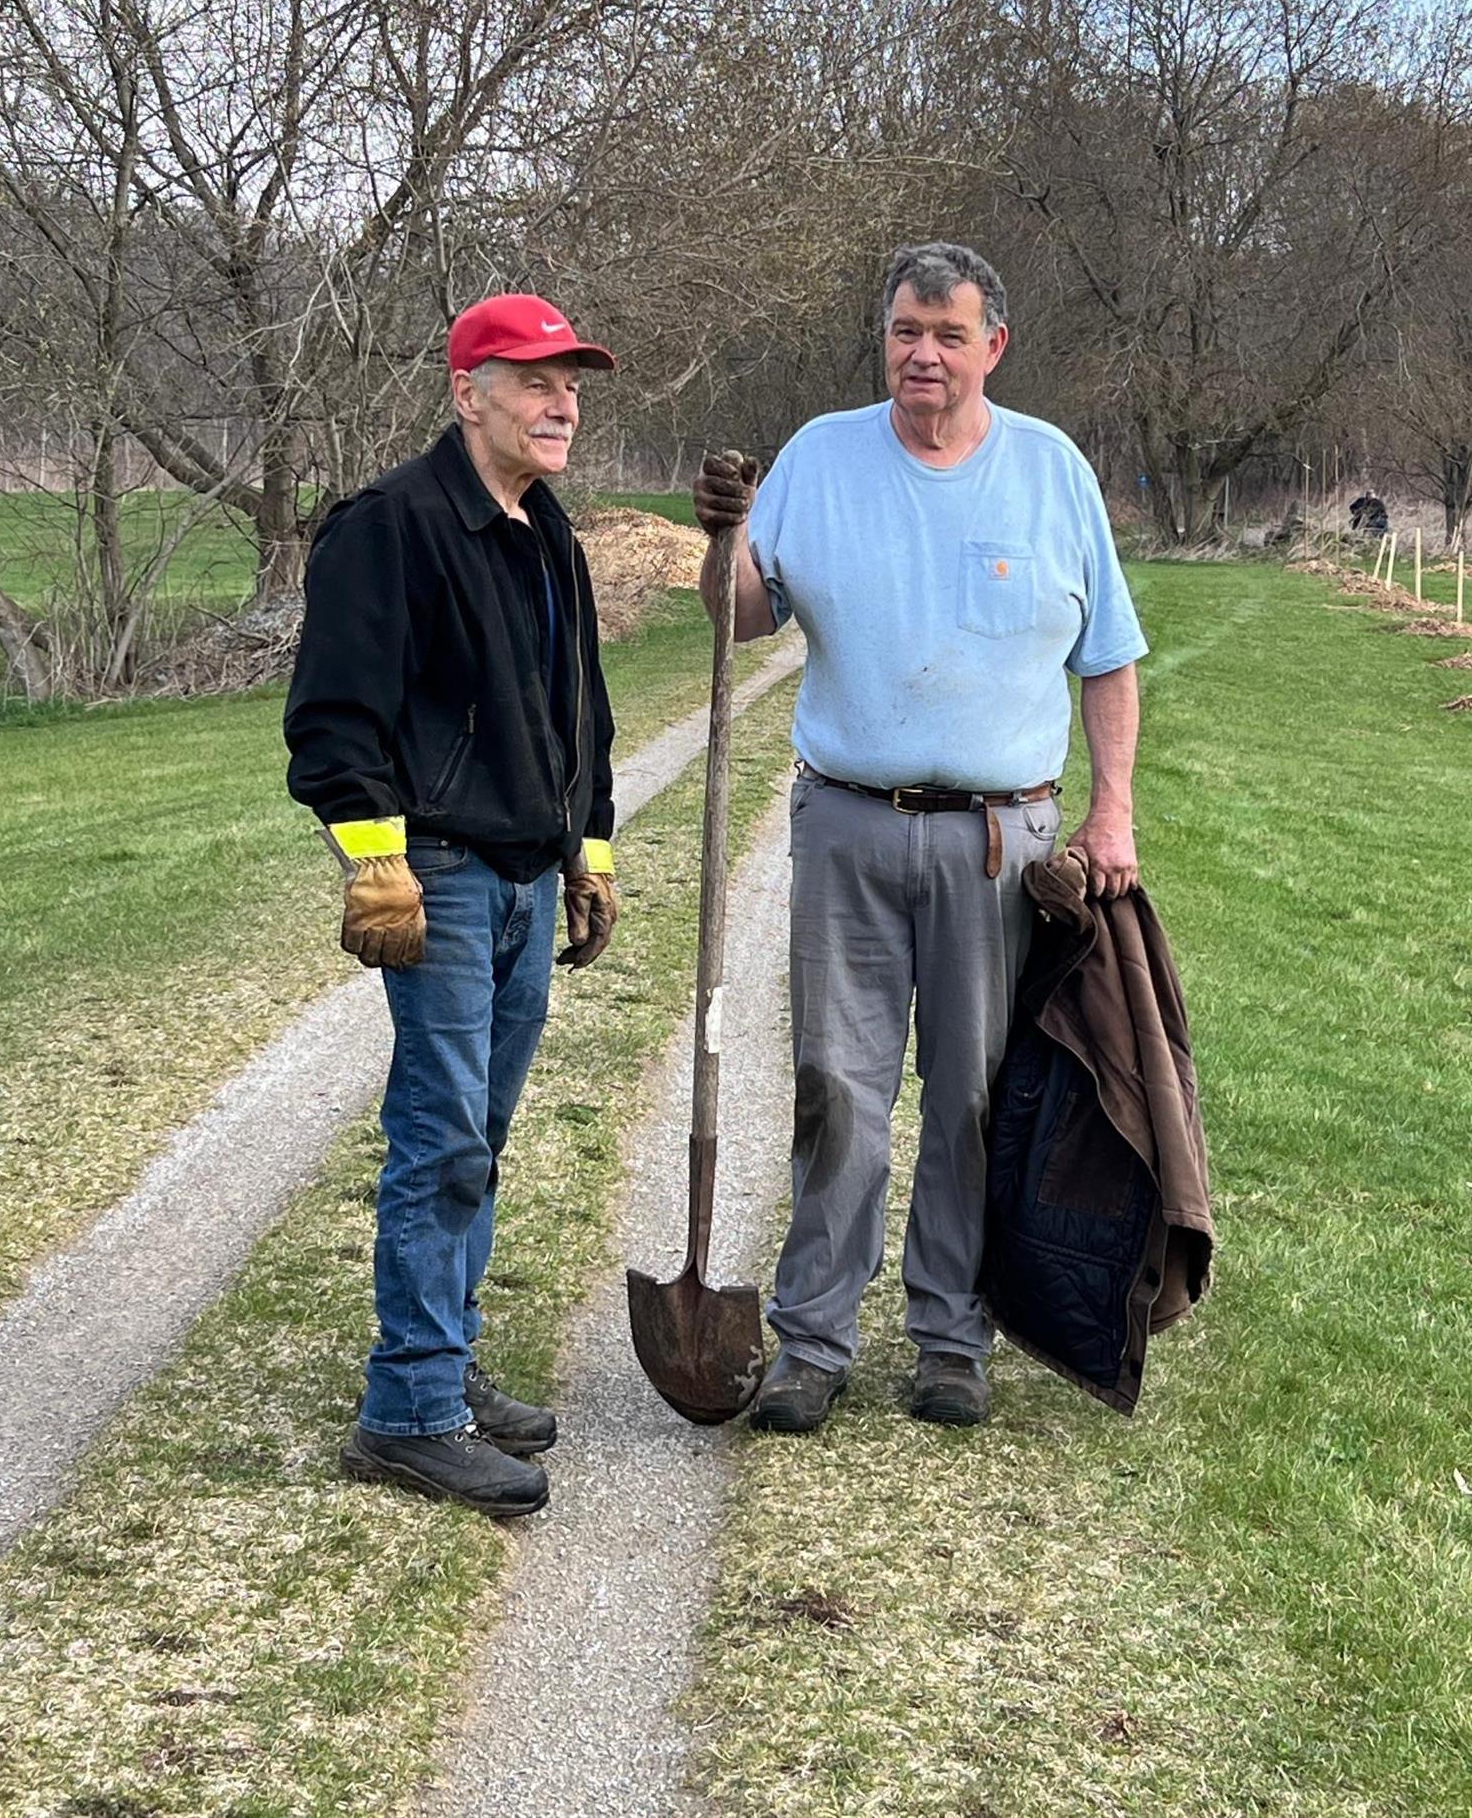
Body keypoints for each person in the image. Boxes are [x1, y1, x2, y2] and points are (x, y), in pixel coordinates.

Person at [693, 241, 1149, 1434]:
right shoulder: (819, 457)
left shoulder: (1051, 472)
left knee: (972, 1097)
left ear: (994, 345)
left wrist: (1111, 811)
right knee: (836, 1089)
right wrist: (722, 542)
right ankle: (812, 1340)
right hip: (846, 824)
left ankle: (952, 1337)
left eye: (950, 335)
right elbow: (742, 617)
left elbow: (1108, 659)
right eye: (906, 331)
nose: (925, 355)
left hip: (1000, 843)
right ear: (883, 337)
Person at [285, 293, 620, 1514]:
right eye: (534, 381)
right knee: (441, 1137)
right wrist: (376, 860)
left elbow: (581, 711)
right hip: (439, 875)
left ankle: (448, 1363)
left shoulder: (547, 531)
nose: (561, 404)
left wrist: (590, 850)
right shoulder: (393, 525)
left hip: (526, 876)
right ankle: (410, 1412)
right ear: (467, 392)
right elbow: (335, 717)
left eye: (571, 384)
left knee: (480, 1132)